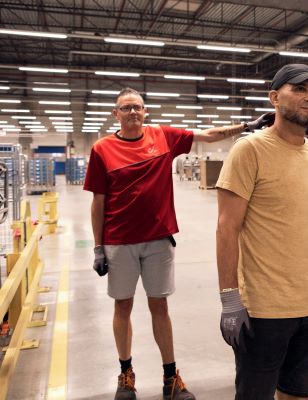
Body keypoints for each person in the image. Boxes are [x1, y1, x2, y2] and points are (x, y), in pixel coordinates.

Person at [84, 87, 273, 400]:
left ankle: (171, 377)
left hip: (158, 240)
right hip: (118, 241)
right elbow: (98, 202)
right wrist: (97, 247)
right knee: (123, 306)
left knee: (160, 306)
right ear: (115, 114)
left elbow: (206, 136)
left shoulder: (162, 136)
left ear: (145, 112)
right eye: (126, 108)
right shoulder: (102, 149)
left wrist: (246, 126)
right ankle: (125, 373)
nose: (133, 112)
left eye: (138, 107)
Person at [215, 63, 308, 400]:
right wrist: (229, 299)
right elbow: (226, 228)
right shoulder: (249, 150)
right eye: (299, 89)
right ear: (274, 98)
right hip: (264, 310)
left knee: (297, 393)